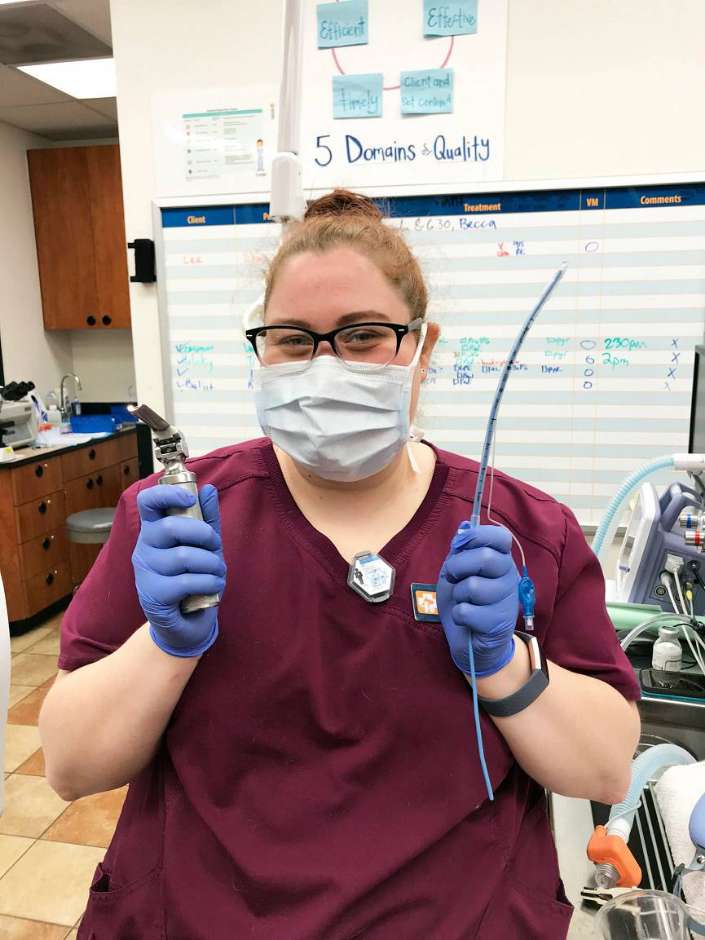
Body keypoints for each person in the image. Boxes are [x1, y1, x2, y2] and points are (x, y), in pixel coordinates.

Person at [40, 190, 640, 939]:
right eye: (292, 338)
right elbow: (70, 767)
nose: (325, 366)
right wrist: (162, 647)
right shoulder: (175, 521)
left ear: (422, 348)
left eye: (361, 336)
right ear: (259, 350)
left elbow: (604, 771)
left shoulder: (523, 533)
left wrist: (507, 672)